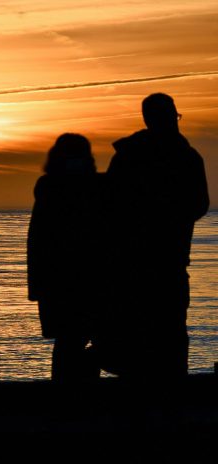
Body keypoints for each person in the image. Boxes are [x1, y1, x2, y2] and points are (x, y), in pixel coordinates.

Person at [100, 93, 209, 379]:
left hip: (141, 262)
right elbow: (199, 204)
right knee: (166, 334)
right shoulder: (186, 157)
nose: (175, 121)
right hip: (157, 262)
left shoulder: (129, 155)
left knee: (145, 335)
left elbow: (108, 206)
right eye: (172, 116)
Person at [27, 134, 107, 381]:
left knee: (75, 341)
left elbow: (36, 241)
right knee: (70, 341)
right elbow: (38, 240)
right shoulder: (51, 188)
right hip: (64, 281)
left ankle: (70, 394)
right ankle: (68, 395)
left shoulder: (92, 187)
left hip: (80, 279)